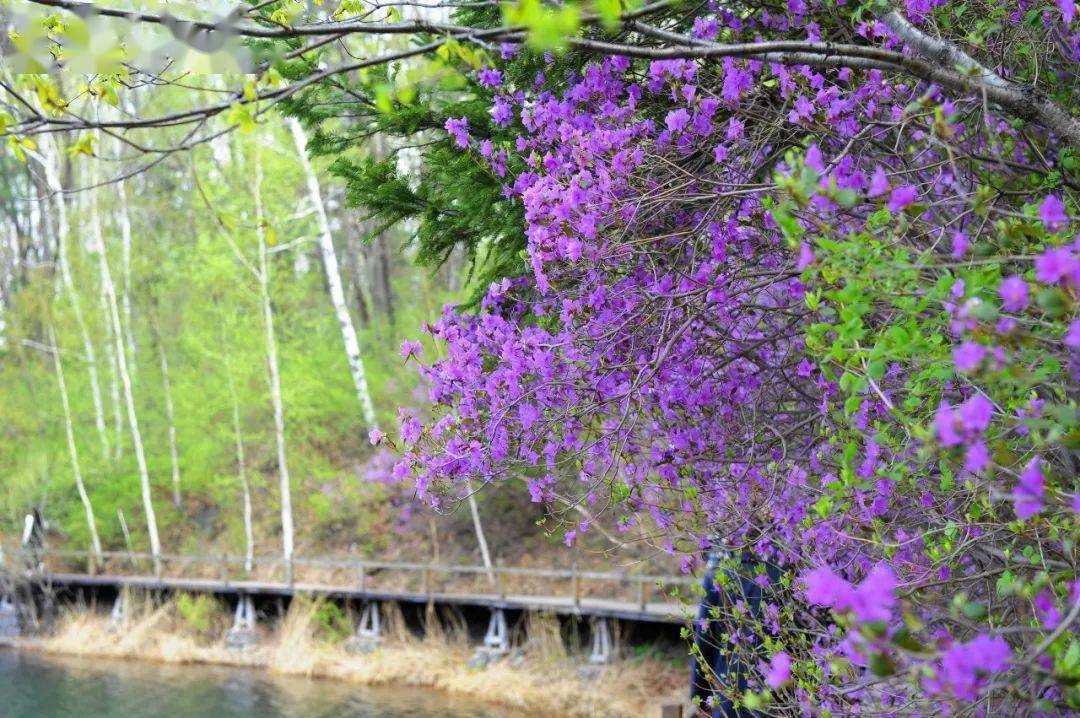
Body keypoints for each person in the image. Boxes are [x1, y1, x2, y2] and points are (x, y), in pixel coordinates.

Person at [690, 543, 782, 717]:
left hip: (729, 694)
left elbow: (704, 642)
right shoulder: (783, 573)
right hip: (776, 699)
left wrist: (699, 696)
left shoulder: (719, 574)